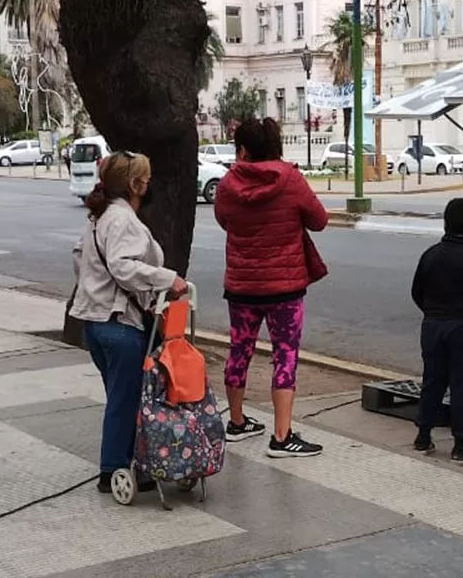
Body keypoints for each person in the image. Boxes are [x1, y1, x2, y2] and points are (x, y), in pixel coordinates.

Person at [70, 152, 188, 493]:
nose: (149, 185)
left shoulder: (100, 216)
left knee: (123, 396)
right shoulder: (122, 220)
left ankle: (135, 462)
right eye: (146, 180)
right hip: (119, 323)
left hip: (96, 320)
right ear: (136, 185)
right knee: (126, 399)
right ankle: (113, 470)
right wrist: (167, 278)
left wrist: (95, 288)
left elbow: (80, 257)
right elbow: (122, 266)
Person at [214, 118, 328, 458]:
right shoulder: (290, 179)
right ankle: (281, 437)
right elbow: (319, 220)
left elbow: (224, 220)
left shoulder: (227, 185)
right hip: (285, 289)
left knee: (239, 350)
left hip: (242, 286)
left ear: (244, 148)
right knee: (285, 355)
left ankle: (236, 423)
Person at [411, 197, 463, 465]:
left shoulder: (430, 254)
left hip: (433, 325)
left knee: (432, 381)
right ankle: (461, 445)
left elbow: (417, 292)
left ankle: (423, 435)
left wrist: (432, 312)